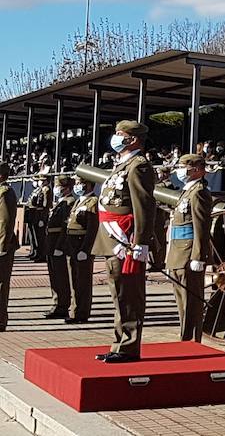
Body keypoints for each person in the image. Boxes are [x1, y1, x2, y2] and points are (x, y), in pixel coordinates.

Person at [94, 120, 157, 363]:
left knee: (129, 294)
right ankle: (119, 342)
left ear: (133, 139)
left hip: (126, 240)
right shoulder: (123, 164)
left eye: (120, 134)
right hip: (113, 237)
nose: (116, 138)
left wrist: (141, 242)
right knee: (118, 293)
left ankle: (129, 347)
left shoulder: (138, 166)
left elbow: (143, 206)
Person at [167, 154, 212, 342]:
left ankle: (191, 340)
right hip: (178, 252)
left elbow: (201, 226)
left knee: (190, 302)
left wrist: (198, 256)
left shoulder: (199, 192)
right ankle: (185, 337)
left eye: (184, 167)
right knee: (181, 302)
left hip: (188, 252)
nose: (180, 171)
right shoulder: (187, 191)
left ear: (197, 170)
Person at [63, 177, 98, 324]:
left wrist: (86, 248)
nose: (77, 186)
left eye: (80, 183)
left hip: (81, 243)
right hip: (72, 244)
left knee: (82, 280)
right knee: (74, 279)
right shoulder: (79, 201)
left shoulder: (93, 202)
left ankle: (82, 312)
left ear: (89, 184)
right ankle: (74, 310)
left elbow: (92, 228)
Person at [43, 176, 76, 320]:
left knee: (61, 277)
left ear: (67, 188)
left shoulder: (69, 202)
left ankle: (62, 305)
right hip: (51, 242)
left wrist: (60, 246)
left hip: (58, 243)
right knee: (54, 276)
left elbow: (65, 227)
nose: (56, 189)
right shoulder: (60, 203)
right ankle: (56, 303)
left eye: (59, 187)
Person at [0, 165, 14, 331]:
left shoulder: (5, 192)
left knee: (1, 284)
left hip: (2, 245)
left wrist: (2, 247)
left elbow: (5, 222)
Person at [24, 173, 50, 263]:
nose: (40, 182)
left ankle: (41, 254)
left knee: (40, 236)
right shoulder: (39, 190)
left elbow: (46, 206)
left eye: (42, 181)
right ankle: (35, 252)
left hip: (39, 215)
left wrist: (42, 219)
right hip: (34, 214)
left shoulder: (46, 190)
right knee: (34, 235)